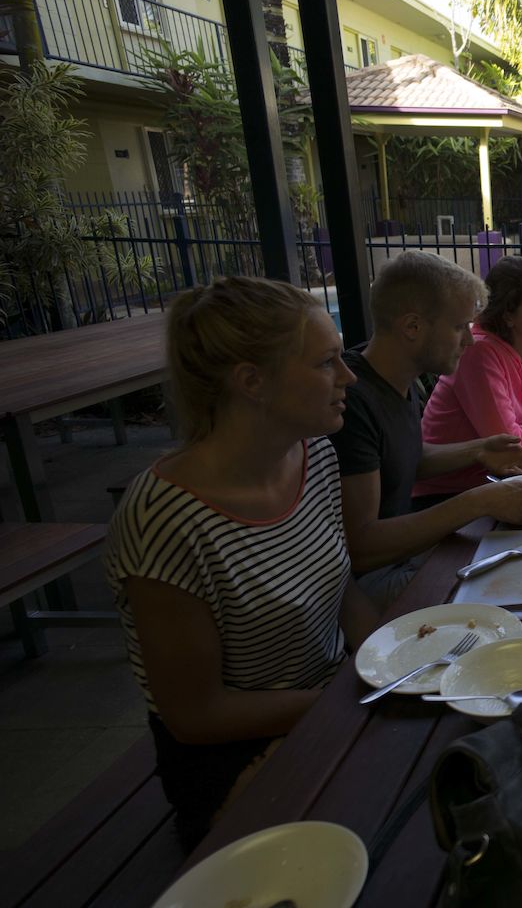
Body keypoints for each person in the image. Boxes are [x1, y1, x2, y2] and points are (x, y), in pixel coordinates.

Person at [106, 277, 382, 850]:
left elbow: (343, 593)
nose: (348, 378)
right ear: (251, 382)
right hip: (230, 756)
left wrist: (396, 664)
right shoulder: (164, 517)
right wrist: (355, 700)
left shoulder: (315, 455)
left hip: (332, 701)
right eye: (327, 363)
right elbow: (196, 715)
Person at [328, 252, 522, 596]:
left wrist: (479, 450)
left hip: (408, 549)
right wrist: (479, 500)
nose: (469, 340)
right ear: (412, 327)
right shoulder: (354, 401)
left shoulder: (393, 377)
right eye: (458, 327)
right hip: (373, 578)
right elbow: (361, 548)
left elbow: (405, 459)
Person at [414, 256, 522, 500]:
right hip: (447, 495)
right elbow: (507, 443)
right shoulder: (479, 352)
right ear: (508, 315)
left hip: (499, 483)